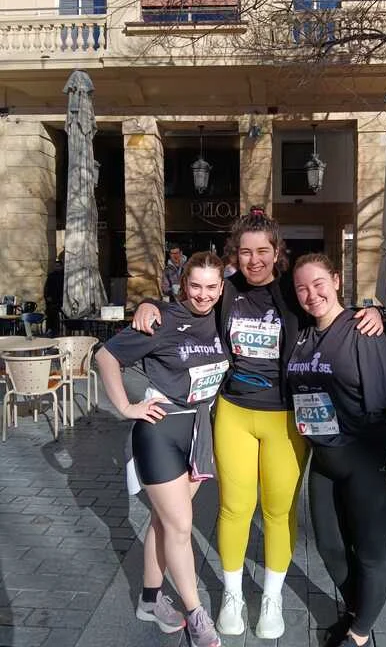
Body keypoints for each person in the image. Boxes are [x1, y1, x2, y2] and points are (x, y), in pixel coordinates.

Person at [132, 207, 383, 640]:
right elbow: (189, 303)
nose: (254, 260)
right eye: (246, 252)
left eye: (263, 251)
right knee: (234, 507)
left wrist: (369, 311)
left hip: (285, 417)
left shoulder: (292, 291)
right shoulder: (227, 291)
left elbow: (327, 307)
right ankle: (231, 594)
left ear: (276, 251)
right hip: (234, 412)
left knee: (279, 510)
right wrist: (148, 303)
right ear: (236, 253)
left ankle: (272, 597)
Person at [96, 252, 230, 647]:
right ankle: (196, 612)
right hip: (160, 432)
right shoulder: (164, 319)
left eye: (211, 287)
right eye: (196, 286)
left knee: (163, 522)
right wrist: (125, 407)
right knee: (180, 526)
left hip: (198, 432)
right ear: (183, 285)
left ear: (222, 287)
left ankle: (150, 602)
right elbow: (106, 356)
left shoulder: (223, 319)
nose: (203, 295)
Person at [287, 253, 386, 647]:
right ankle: (359, 608)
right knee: (329, 547)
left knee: (370, 553)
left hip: (368, 458)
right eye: (302, 288)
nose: (311, 294)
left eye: (318, 284)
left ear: (337, 281)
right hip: (325, 460)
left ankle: (358, 633)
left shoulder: (362, 330)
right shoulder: (302, 334)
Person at [44, 258, 64, 336]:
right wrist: (47, 297)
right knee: (50, 312)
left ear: (61, 266)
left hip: (60, 300)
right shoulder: (51, 276)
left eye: (58, 266)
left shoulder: (64, 276)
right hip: (51, 300)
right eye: (56, 266)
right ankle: (50, 330)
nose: (57, 267)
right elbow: (46, 288)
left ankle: (57, 331)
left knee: (57, 314)